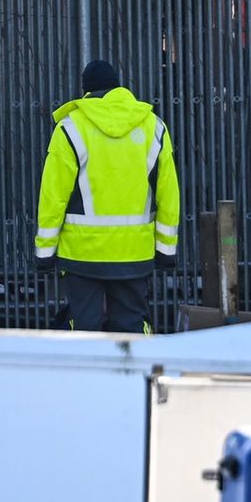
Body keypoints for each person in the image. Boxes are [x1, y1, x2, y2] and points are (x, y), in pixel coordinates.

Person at [35, 60, 180, 332]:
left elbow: (53, 196)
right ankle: (137, 374)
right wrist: (165, 250)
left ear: (86, 91)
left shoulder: (70, 128)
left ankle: (87, 374)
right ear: (118, 87)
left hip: (82, 254)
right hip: (134, 253)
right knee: (131, 329)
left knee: (85, 331)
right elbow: (168, 194)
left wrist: (45, 252)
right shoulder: (154, 127)